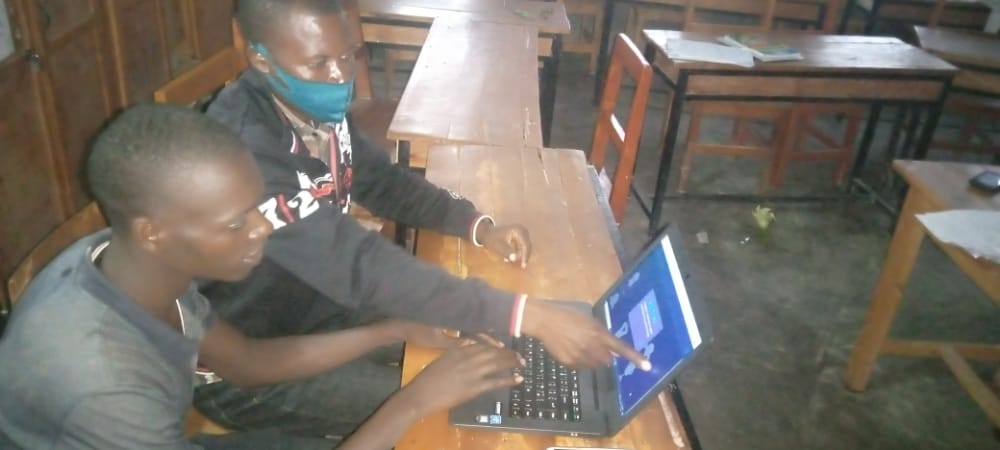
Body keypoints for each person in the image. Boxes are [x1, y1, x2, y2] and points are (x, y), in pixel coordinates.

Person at [195, 0, 652, 440]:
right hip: (249, 368)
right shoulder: (243, 155)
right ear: (261, 59)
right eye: (318, 64)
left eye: (348, 56)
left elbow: (380, 181)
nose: (339, 76)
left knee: (484, 346)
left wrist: (476, 224)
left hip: (321, 306)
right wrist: (526, 314)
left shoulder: (304, 105)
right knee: (458, 403)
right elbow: (357, 265)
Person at [0, 103, 530, 450]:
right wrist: (413, 399)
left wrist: (391, 329)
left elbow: (246, 362)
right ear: (153, 233)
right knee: (421, 427)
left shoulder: (132, 262)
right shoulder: (103, 383)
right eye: (237, 223)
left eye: (257, 208)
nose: (263, 228)